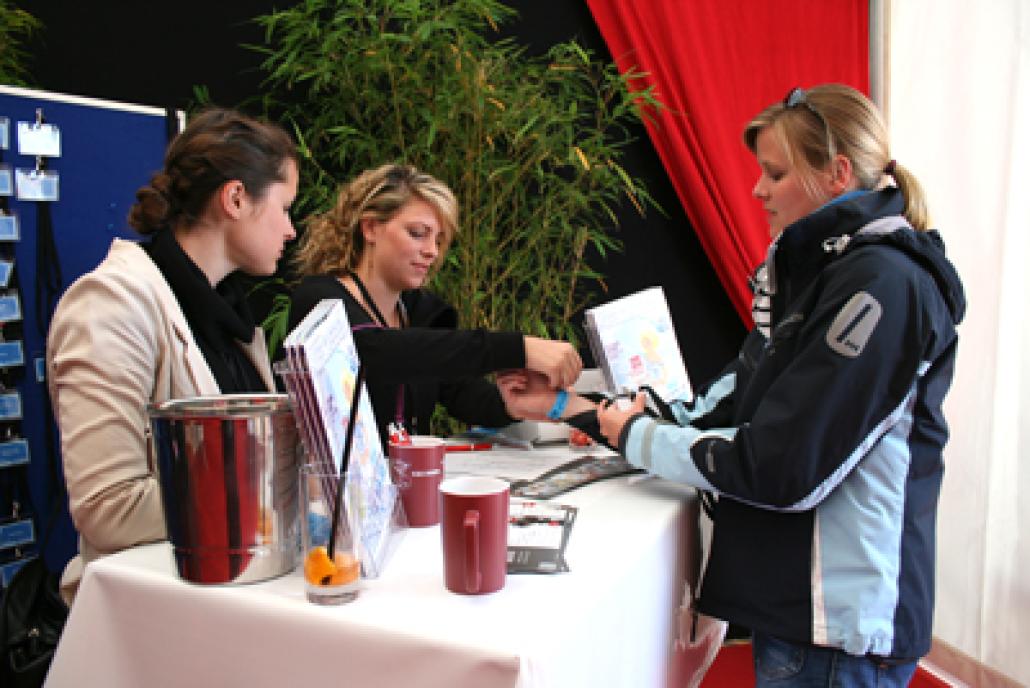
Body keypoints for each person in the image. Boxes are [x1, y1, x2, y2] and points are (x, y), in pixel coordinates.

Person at [499, 84, 965, 687]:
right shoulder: (827, 275)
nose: (757, 190)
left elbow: (781, 466)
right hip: (804, 616)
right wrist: (572, 407)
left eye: (775, 173)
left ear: (836, 173)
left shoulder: (879, 286)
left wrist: (637, 435)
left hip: (834, 626)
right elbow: (727, 401)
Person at [46, 108, 299, 602]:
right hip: (157, 610)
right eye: (285, 207)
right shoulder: (112, 304)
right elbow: (108, 508)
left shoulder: (227, 313)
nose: (291, 230)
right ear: (235, 198)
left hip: (235, 592)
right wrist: (279, 488)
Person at [286, 163, 581, 450]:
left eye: (438, 239)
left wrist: (514, 404)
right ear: (371, 228)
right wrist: (518, 348)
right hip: (336, 494)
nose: (431, 251)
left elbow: (462, 394)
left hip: (413, 486)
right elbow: (377, 352)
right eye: (417, 233)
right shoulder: (320, 300)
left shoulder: (420, 311)